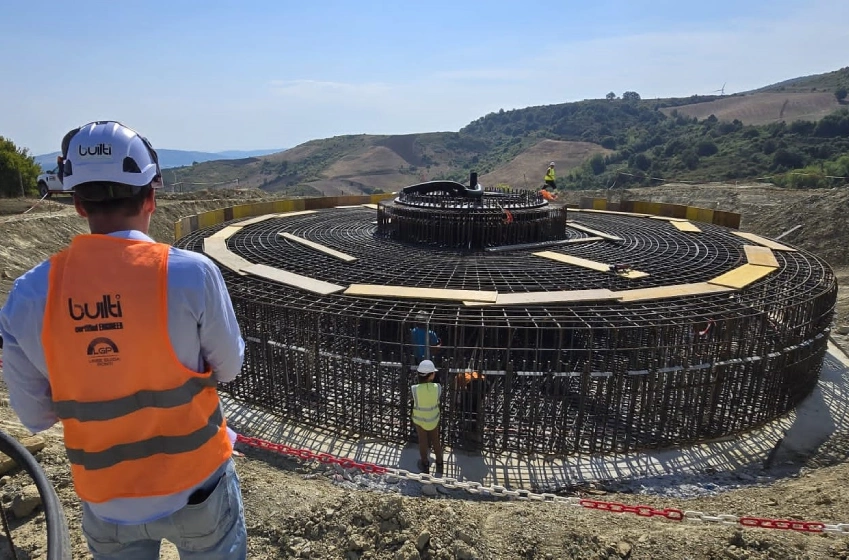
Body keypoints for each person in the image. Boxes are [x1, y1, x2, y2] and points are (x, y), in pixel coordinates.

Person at [0, 121, 247, 559]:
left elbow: (35, 417)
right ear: (151, 195)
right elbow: (228, 367)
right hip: (198, 487)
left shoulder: (28, 296)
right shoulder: (192, 275)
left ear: (77, 203)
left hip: (107, 500)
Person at [410, 359, 444, 474]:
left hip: (420, 421)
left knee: (423, 442)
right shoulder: (437, 387)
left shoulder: (415, 389)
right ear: (431, 375)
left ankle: (425, 463)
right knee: (436, 441)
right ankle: (439, 462)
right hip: (433, 419)